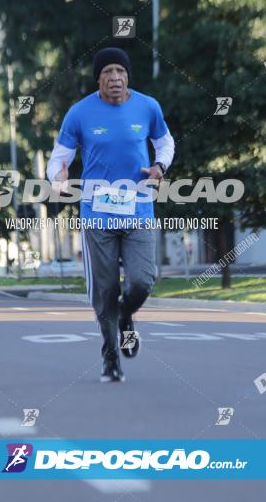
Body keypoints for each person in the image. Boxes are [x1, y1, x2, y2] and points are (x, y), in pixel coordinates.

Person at [46, 48, 175, 382]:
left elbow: (165, 143)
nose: (115, 77)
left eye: (120, 70)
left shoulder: (148, 107)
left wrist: (160, 166)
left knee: (142, 281)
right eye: (108, 72)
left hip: (139, 210)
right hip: (97, 214)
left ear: (128, 75)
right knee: (103, 291)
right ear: (98, 78)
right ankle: (110, 356)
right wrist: (56, 177)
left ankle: (126, 316)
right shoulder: (79, 113)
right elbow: (59, 155)